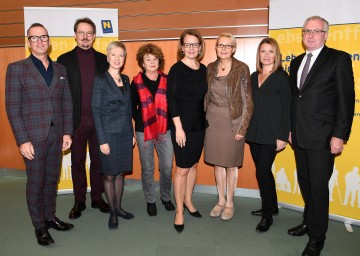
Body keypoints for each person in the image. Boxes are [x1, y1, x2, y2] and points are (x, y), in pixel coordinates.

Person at [288, 16, 355, 256]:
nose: (311, 35)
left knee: (318, 187)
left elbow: (346, 102)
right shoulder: (295, 63)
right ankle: (308, 221)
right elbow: (295, 100)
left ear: (326, 34)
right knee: (305, 183)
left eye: (316, 31)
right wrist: (289, 129)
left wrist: (340, 136)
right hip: (299, 136)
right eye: (307, 31)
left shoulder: (338, 59)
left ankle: (317, 237)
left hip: (324, 139)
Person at [5, 23, 74, 246]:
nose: (39, 41)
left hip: (56, 134)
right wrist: (22, 140)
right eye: (34, 38)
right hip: (32, 136)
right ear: (28, 42)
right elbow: (13, 107)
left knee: (52, 179)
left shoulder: (60, 69)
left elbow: (67, 102)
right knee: (36, 182)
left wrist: (67, 132)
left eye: (43, 37)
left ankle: (50, 217)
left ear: (49, 40)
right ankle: (39, 226)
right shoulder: (16, 68)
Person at [57, 17, 109, 219]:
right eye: (81, 32)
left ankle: (97, 197)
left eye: (89, 33)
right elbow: (60, 95)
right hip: (75, 122)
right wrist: (63, 127)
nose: (85, 36)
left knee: (98, 162)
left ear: (94, 36)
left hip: (98, 121)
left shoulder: (103, 59)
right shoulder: (63, 60)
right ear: (75, 35)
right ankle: (79, 201)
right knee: (77, 162)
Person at [204, 33, 253, 221]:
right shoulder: (209, 68)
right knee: (217, 163)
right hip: (213, 121)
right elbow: (206, 96)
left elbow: (248, 100)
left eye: (228, 45)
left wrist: (243, 128)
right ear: (216, 48)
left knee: (231, 164)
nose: (223, 49)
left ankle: (230, 202)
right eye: (220, 45)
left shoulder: (241, 68)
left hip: (233, 120)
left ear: (233, 49)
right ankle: (220, 200)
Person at [246, 38, 291, 232]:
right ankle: (272, 206)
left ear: (276, 55)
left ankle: (267, 216)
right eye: (263, 51)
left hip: (272, 134)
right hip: (254, 133)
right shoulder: (253, 75)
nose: (266, 55)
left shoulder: (282, 77)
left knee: (262, 172)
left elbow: (288, 108)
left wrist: (283, 135)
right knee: (263, 171)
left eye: (270, 51)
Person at [167, 29, 208, 233]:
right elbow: (171, 100)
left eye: (195, 44)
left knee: (193, 165)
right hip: (181, 127)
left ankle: (189, 201)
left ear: (200, 47)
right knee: (182, 168)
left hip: (199, 126)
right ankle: (179, 211)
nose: (192, 48)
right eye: (188, 44)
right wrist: (179, 129)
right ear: (182, 47)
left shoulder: (203, 69)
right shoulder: (177, 69)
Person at [92, 41, 135, 229]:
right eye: (114, 55)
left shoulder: (126, 79)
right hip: (108, 135)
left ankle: (118, 207)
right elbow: (96, 111)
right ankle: (111, 212)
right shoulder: (100, 80)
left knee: (120, 174)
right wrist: (102, 141)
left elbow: (128, 110)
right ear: (108, 57)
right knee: (109, 175)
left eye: (121, 55)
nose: (117, 59)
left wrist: (132, 133)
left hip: (125, 134)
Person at [131, 43, 175, 216]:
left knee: (166, 167)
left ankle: (165, 197)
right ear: (142, 62)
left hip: (165, 130)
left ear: (159, 61)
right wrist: (143, 118)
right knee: (147, 168)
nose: (152, 62)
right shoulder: (135, 82)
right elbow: (131, 107)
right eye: (148, 59)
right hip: (144, 131)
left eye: (155, 59)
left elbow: (173, 104)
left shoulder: (167, 80)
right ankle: (150, 200)